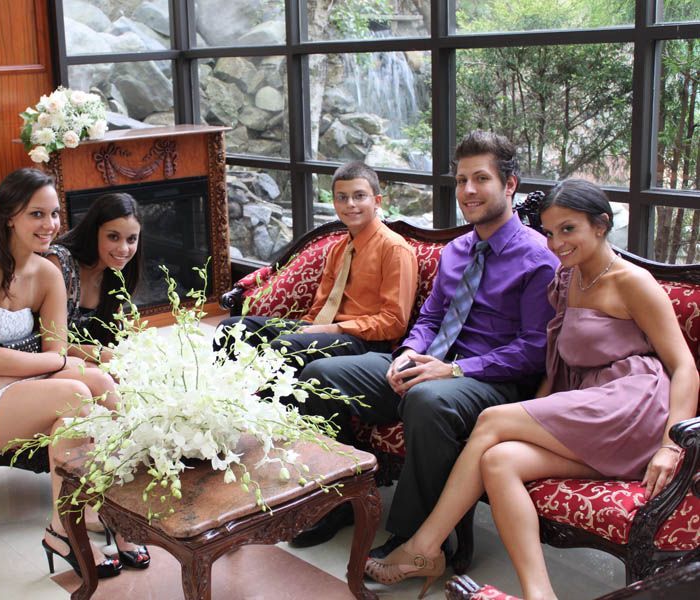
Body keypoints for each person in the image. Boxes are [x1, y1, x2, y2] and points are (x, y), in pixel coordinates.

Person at [364, 179, 699, 599]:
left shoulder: (633, 282)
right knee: (500, 461)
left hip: (633, 406)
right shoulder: (568, 276)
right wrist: (537, 408)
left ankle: (423, 547)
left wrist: (672, 445)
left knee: (491, 420)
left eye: (569, 229)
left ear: (601, 225)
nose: (556, 242)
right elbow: (558, 362)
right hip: (589, 410)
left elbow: (685, 366)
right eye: (550, 230)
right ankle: (539, 594)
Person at [290, 131, 559, 549]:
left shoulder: (538, 259)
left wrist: (453, 369)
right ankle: (339, 501)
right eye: (461, 180)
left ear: (509, 185)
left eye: (481, 179)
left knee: (427, 399)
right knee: (319, 374)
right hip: (431, 364)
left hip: (491, 380)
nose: (468, 190)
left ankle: (418, 537)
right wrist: (410, 353)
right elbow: (431, 316)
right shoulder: (457, 250)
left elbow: (533, 350)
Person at [0, 168, 125, 579]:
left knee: (100, 386)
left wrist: (16, 374)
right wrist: (53, 364)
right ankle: (82, 519)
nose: (50, 225)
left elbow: (53, 351)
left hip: (5, 383)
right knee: (75, 392)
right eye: (37, 214)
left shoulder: (47, 273)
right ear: (9, 216)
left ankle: (79, 519)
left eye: (54, 214)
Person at [215, 160, 418, 370]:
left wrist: (335, 329)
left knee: (284, 346)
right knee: (231, 329)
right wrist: (303, 329)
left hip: (368, 341)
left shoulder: (394, 249)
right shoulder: (339, 249)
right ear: (334, 202)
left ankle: (272, 402)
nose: (350, 204)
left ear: (377, 201)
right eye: (342, 197)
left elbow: (394, 323)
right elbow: (320, 308)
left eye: (359, 196)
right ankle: (234, 397)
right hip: (326, 329)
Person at [44, 192, 142, 363]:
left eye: (131, 239)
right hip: (48, 360)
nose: (124, 249)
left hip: (84, 363)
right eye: (113, 237)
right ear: (93, 231)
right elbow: (44, 340)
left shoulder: (117, 272)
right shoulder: (59, 262)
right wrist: (100, 353)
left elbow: (113, 335)